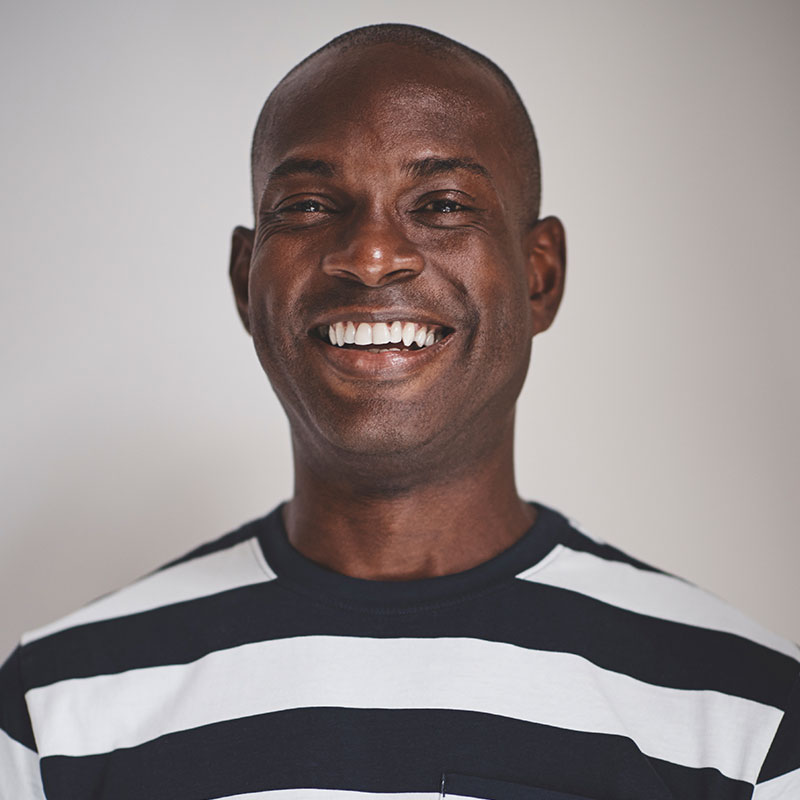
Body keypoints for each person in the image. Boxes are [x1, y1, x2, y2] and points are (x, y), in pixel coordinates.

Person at [1, 22, 797, 800]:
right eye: (310, 206)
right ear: (247, 278)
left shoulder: (746, 721)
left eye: (444, 204)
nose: (372, 255)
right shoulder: (57, 712)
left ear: (539, 275)